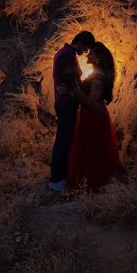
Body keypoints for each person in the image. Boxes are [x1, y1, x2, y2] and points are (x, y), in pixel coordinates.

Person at [67, 42, 121, 192]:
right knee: (91, 149)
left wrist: (76, 90)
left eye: (91, 53)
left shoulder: (98, 78)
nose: (88, 55)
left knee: (92, 149)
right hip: (90, 115)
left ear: (97, 58)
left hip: (93, 117)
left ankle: (93, 185)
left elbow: (91, 101)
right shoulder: (95, 75)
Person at [48, 30, 95, 192]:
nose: (86, 52)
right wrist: (85, 98)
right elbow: (71, 85)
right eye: (86, 48)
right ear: (80, 41)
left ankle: (61, 176)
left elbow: (70, 85)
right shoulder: (66, 55)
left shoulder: (67, 53)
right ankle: (56, 179)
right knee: (63, 141)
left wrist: (71, 89)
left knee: (66, 139)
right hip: (66, 104)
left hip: (66, 102)